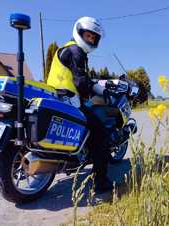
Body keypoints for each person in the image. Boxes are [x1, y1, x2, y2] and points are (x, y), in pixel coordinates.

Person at [47, 17, 113, 192]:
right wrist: (95, 91)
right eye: (88, 35)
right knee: (101, 134)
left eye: (93, 38)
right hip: (69, 101)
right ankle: (101, 182)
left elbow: (79, 77)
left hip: (56, 98)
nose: (90, 40)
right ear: (79, 32)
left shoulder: (66, 48)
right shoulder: (77, 51)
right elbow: (81, 83)